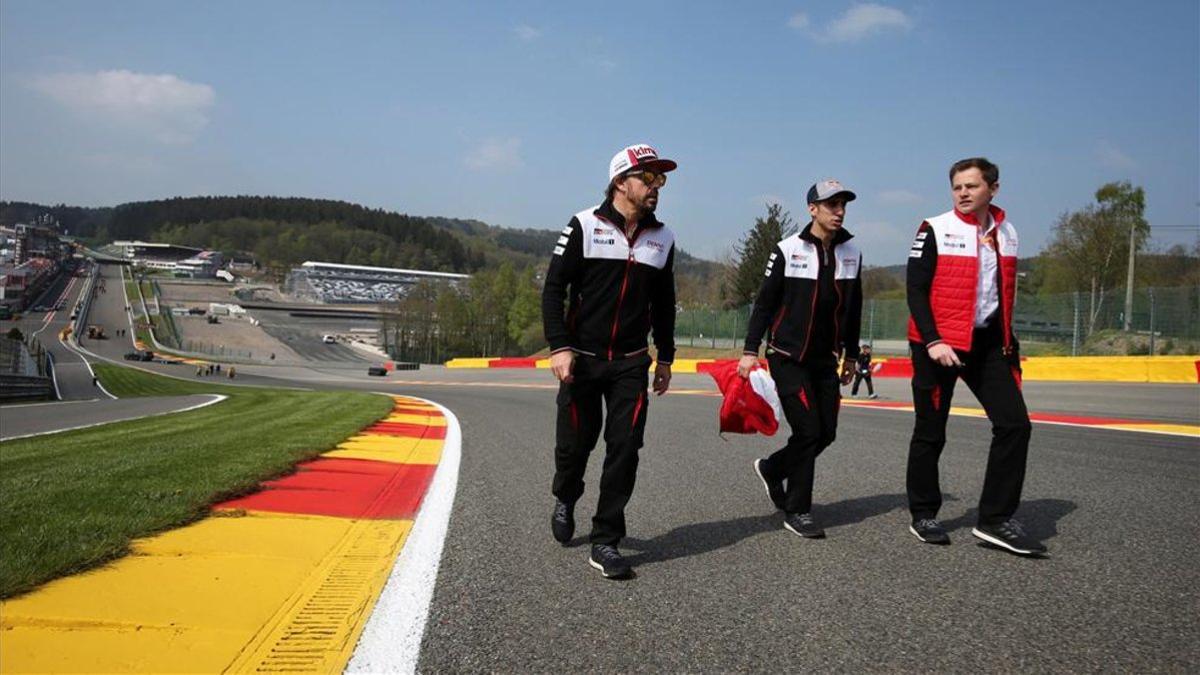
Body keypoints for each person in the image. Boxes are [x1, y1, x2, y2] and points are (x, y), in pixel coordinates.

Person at [542, 143, 678, 579]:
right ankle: (565, 495)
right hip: (581, 359)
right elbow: (553, 290)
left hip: (631, 363)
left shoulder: (664, 237)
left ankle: (606, 540)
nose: (657, 187)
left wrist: (666, 359)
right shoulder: (583, 225)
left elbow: (665, 304)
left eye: (661, 179)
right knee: (574, 447)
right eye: (648, 177)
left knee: (625, 448)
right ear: (621, 182)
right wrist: (559, 346)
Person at [905, 157, 1043, 556]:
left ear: (993, 189)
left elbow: (1000, 292)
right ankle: (925, 513)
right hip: (937, 345)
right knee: (931, 430)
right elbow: (915, 291)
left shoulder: (1008, 232)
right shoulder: (934, 228)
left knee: (1015, 425)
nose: (963, 193)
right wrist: (932, 340)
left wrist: (1008, 341)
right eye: (957, 187)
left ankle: (995, 520)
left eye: (972, 186)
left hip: (987, 345)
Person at [738, 179, 863, 539]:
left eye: (842, 205)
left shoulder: (852, 252)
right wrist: (750, 350)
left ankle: (774, 469)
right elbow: (764, 304)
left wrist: (851, 355)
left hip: (826, 359)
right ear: (812, 209)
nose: (838, 212)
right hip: (787, 356)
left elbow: (853, 310)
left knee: (827, 433)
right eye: (831, 205)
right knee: (808, 431)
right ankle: (798, 510)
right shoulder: (787, 249)